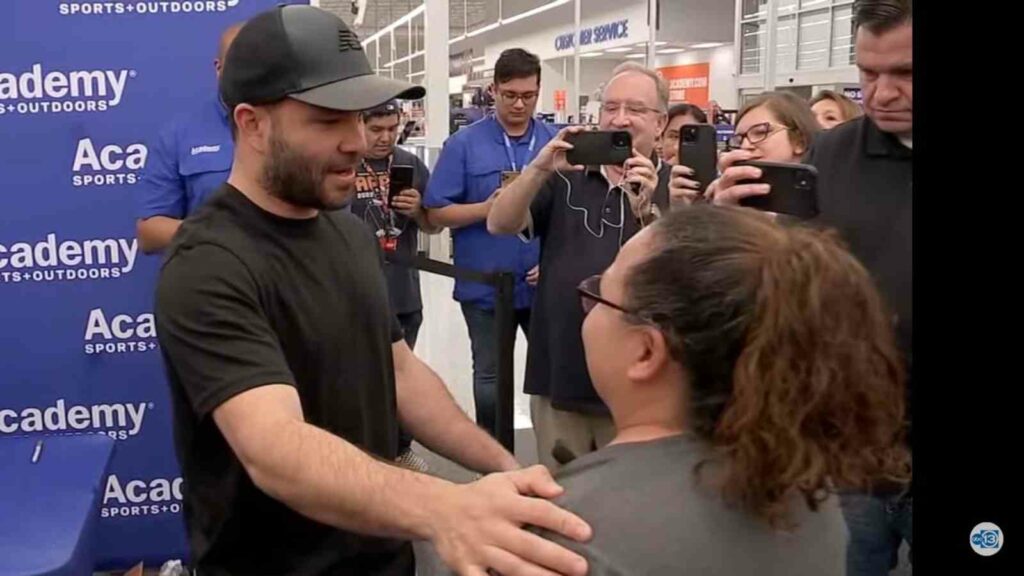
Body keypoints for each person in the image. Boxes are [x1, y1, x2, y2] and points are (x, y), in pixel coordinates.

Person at [154, 6, 591, 576]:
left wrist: (501, 468)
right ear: (252, 123)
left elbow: (401, 375)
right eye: (327, 121)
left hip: (386, 553)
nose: (358, 141)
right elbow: (275, 448)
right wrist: (446, 506)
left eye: (359, 119)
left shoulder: (347, 233)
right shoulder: (208, 265)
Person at [537, 205, 910, 575]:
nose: (586, 306)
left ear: (646, 351)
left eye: (599, 292)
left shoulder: (563, 533)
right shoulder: (811, 495)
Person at [707, 1, 914, 573]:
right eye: (869, 74)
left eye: (905, 74)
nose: (882, 94)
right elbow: (791, 276)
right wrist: (734, 228)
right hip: (854, 436)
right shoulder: (834, 153)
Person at [487, 62, 671, 470]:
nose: (620, 118)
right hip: (560, 376)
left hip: (641, 392)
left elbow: (687, 275)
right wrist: (537, 168)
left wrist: (652, 208)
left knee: (629, 512)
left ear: (660, 123)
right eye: (611, 107)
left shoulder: (678, 186)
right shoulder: (563, 177)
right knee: (562, 505)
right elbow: (499, 223)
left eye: (636, 109)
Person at [423, 49, 554, 438]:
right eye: (509, 94)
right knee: (490, 377)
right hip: (484, 284)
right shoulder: (463, 145)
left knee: (551, 371)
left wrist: (552, 260)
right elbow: (435, 213)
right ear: (492, 90)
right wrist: (487, 209)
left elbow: (571, 214)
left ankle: (554, 454)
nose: (519, 103)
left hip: (540, 284)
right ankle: (496, 460)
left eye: (528, 96)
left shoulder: (555, 144)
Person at [351, 99, 442, 472]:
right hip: (354, 296)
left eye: (392, 128)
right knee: (357, 383)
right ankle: (360, 452)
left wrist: (418, 210)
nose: (385, 138)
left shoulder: (409, 164)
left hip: (403, 294)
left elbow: (435, 225)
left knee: (401, 382)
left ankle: (400, 448)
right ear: (359, 124)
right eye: (376, 130)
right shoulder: (342, 162)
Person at [136, 22, 243, 253]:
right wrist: (218, 234)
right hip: (211, 274)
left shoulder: (292, 125)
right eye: (238, 66)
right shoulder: (180, 134)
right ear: (218, 69)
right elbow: (149, 234)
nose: (248, 76)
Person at [671, 91, 818, 206]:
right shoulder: (728, 196)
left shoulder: (826, 199)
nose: (746, 146)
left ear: (799, 140)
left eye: (761, 132)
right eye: (740, 139)